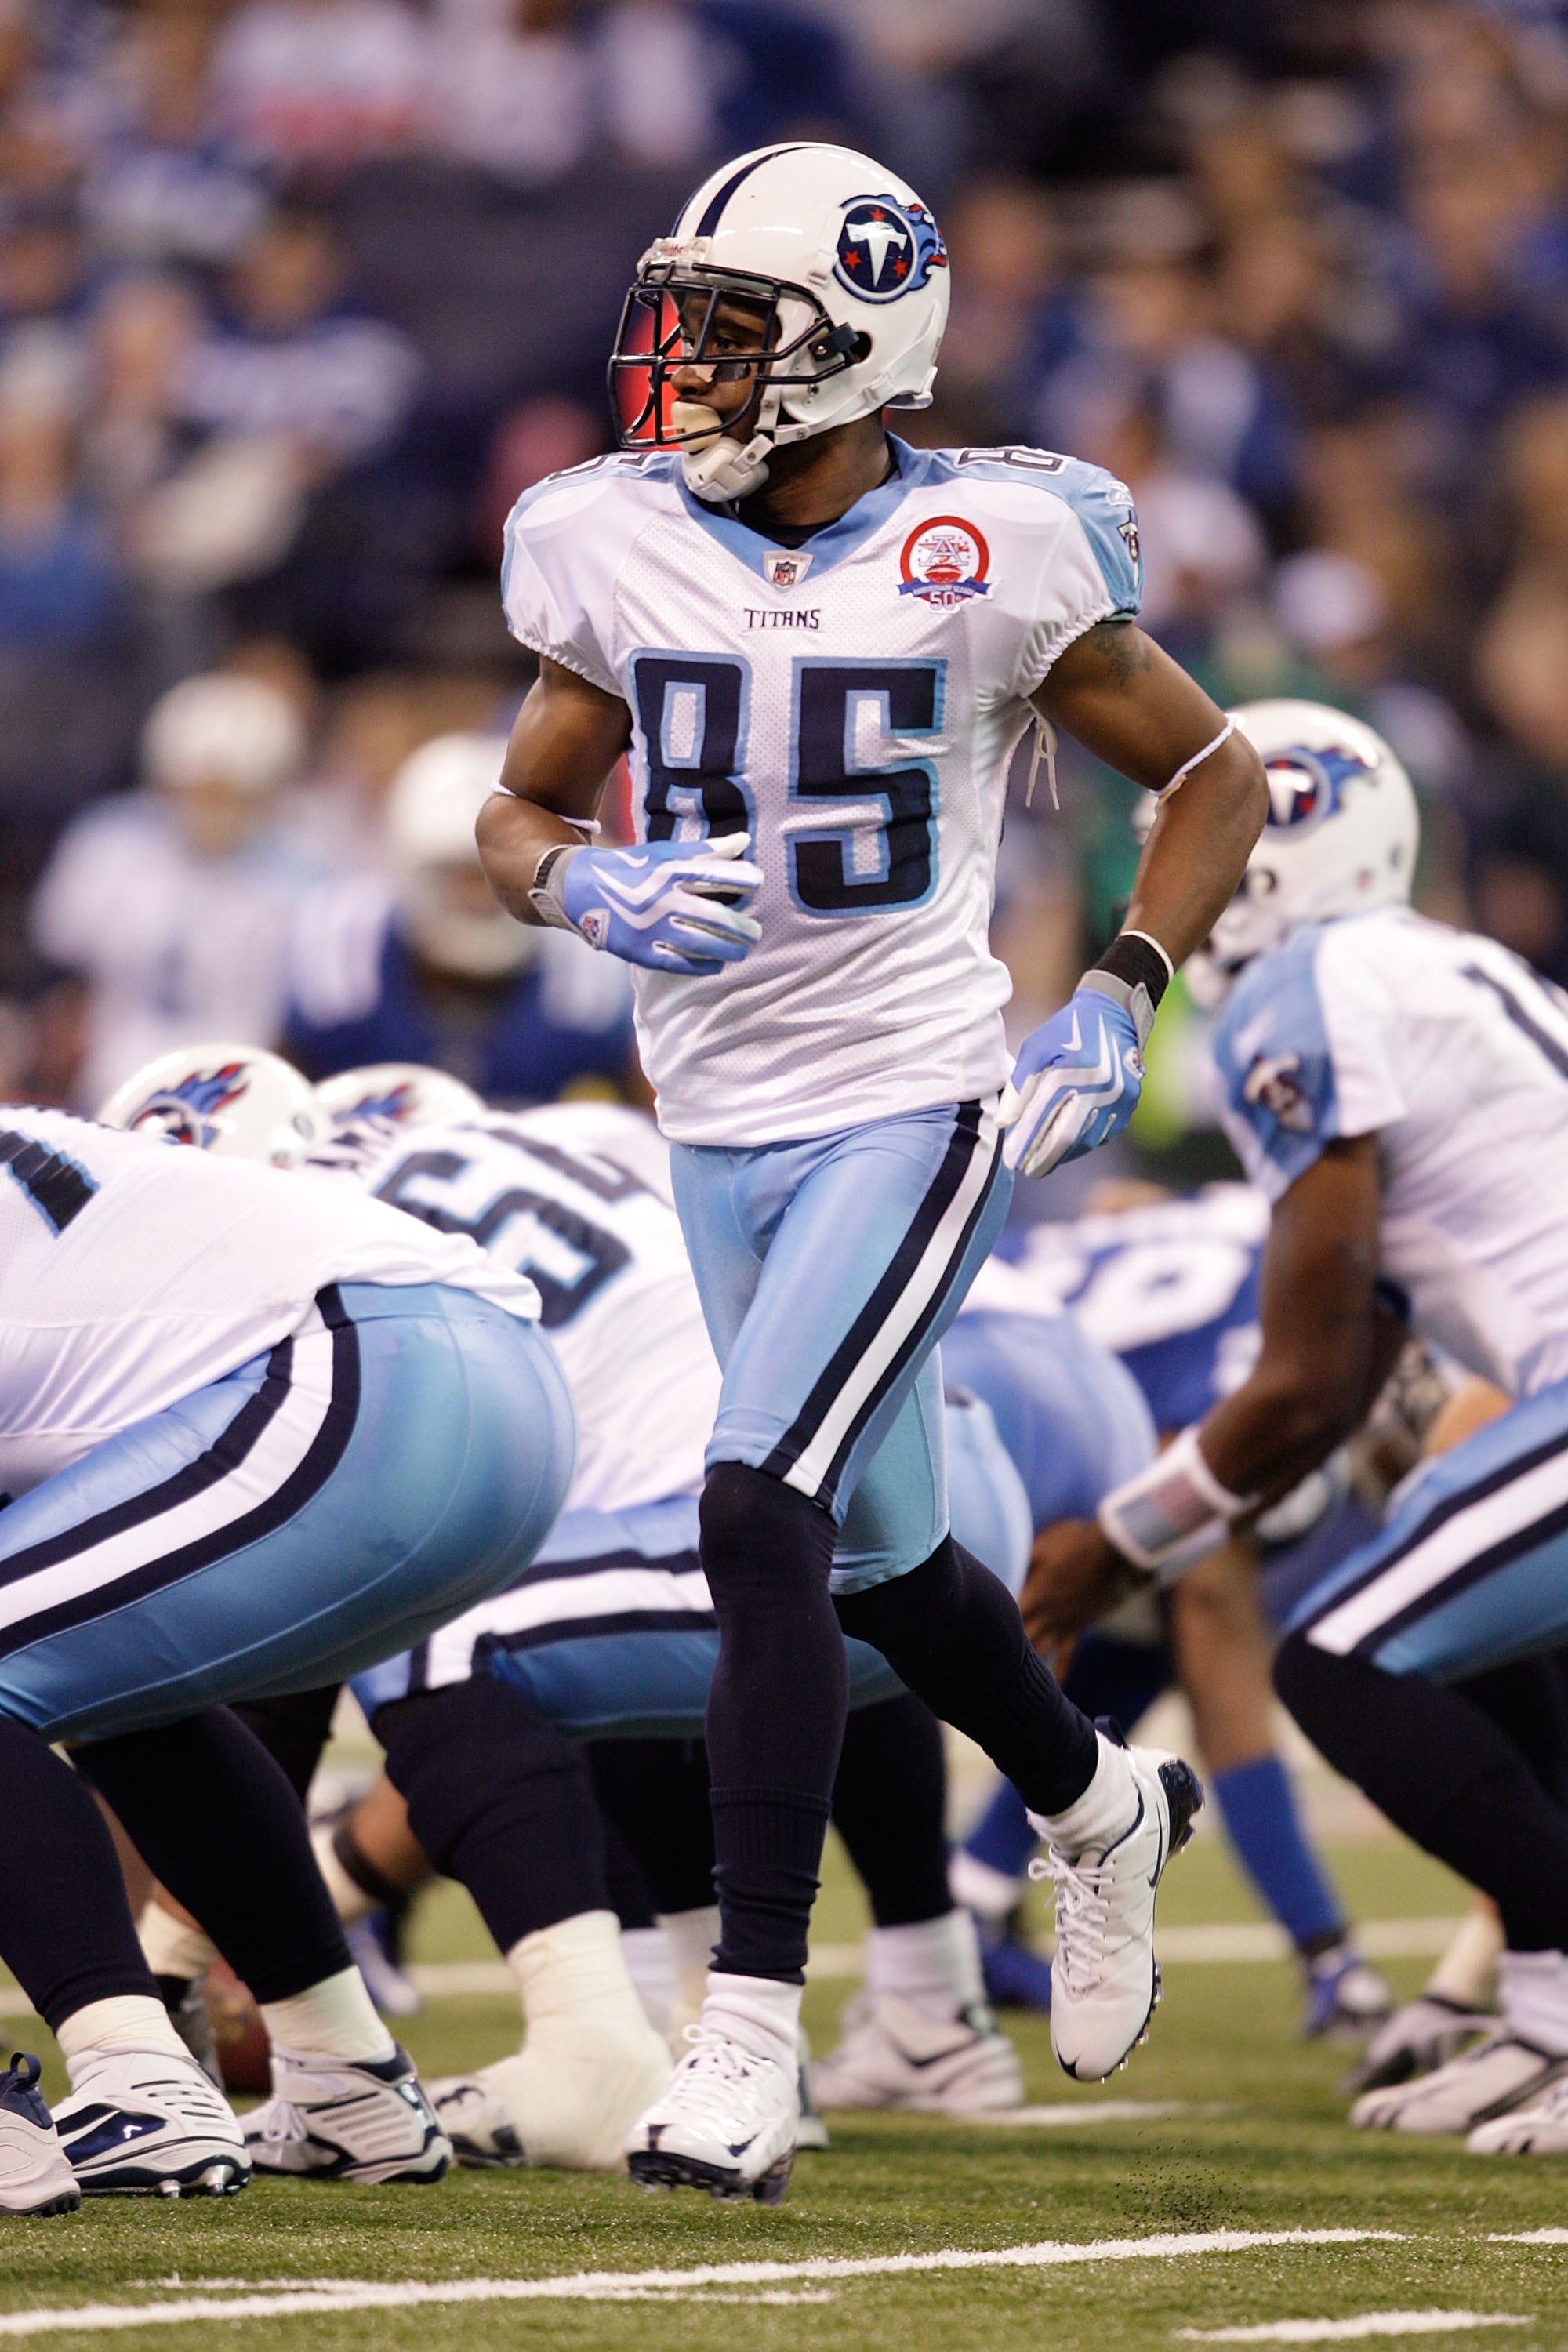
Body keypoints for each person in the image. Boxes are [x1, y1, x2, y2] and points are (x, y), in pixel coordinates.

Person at [476, 140, 1267, 2200]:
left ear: (859, 346)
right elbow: (511, 812)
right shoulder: (604, 542)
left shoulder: (994, 548)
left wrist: (1121, 987)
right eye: (686, 324)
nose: (688, 370)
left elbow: (1214, 770)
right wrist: (576, 876)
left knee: (754, 1504)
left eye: (735, 333)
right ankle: (1100, 1807)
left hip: (915, 1098)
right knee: (891, 1567)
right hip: (711, 1113)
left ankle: (748, 2032)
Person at [1022, 698, 1568, 2156]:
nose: (1166, 883)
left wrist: (1110, 1551)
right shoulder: (1419, 969)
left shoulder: (1304, 993)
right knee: (1464, 1619)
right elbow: (1350, 1360)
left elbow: (1310, 1381)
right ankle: (1542, 2005)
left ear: (1275, 851)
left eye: (1195, 843)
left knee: (1338, 1661)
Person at [0, 1053, 573, 2213]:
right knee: (116, 1683)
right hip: (502, 1396)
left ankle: (135, 2081)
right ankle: (345, 2075)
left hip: (353, 1379)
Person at [949, 1188, 1392, 2041]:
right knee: (1192, 1583)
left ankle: (965, 1897)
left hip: (970, 1330)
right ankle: (1325, 1952)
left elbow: (1120, 1199)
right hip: (978, 1385)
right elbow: (1200, 1502)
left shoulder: (1240, 1217)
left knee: (1141, 1613)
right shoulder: (1277, 1340)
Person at [285, 733, 638, 1104]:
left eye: (498, 881)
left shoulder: (588, 975)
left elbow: (641, 1126)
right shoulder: (342, 960)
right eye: (459, 877)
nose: (480, 899)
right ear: (407, 870)